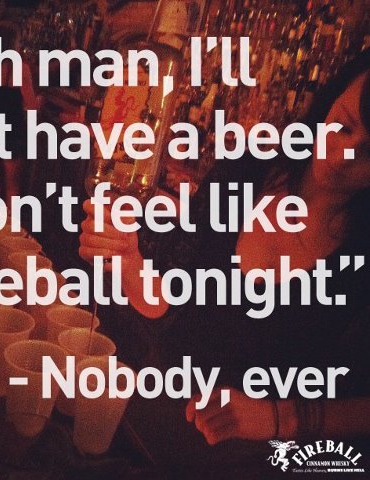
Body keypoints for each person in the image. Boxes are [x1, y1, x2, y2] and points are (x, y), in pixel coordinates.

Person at [79, 50, 370, 474]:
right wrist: (128, 260)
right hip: (154, 419)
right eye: (343, 125)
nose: (343, 154)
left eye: (368, 151)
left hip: (257, 460)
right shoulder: (245, 173)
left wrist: (280, 417)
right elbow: (167, 305)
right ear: (329, 102)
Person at [0, 21, 43, 207]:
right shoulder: (20, 68)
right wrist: (41, 100)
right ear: (12, 43)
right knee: (12, 190)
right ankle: (7, 225)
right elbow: (32, 107)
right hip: (13, 134)